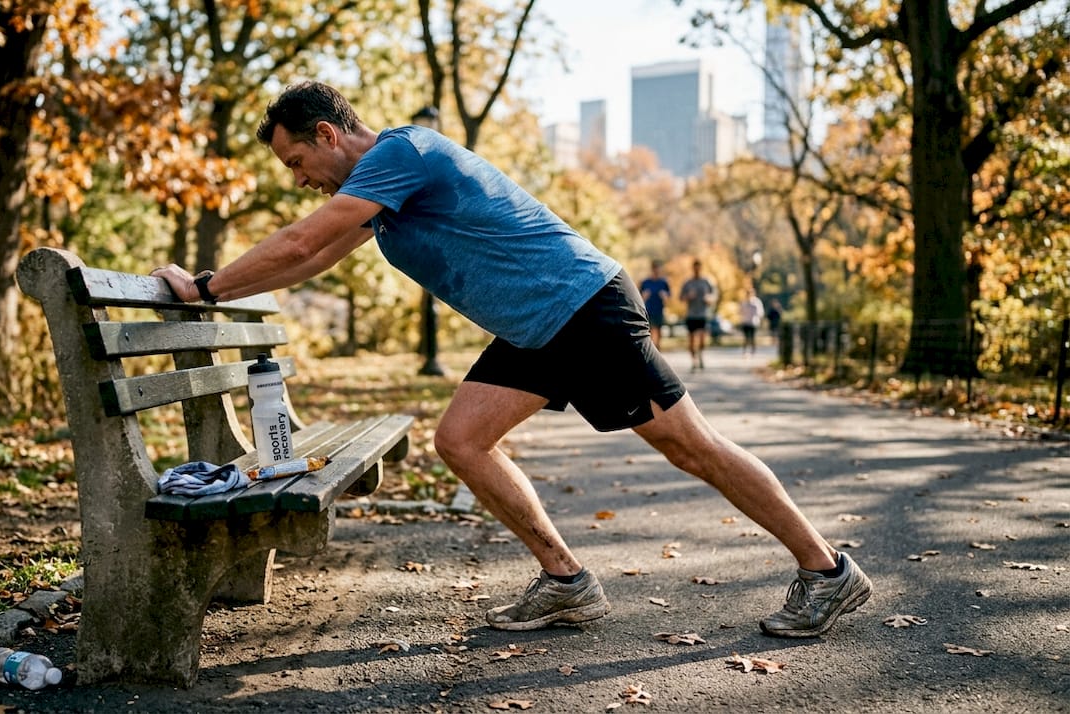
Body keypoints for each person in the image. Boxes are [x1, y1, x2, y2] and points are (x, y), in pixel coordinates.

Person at [152, 81, 872, 638]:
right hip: (538, 328)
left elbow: (303, 241)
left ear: (329, 133)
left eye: (298, 161)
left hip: (582, 307)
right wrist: (216, 293)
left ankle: (826, 569)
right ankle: (565, 581)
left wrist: (207, 286)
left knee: (692, 448)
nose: (301, 178)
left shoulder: (403, 154)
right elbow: (310, 257)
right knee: (461, 440)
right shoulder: (379, 197)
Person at [678, 259, 717, 371]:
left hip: (703, 314)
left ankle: (701, 355)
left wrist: (709, 299)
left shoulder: (707, 282)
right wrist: (688, 296)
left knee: (702, 339)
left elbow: (714, 295)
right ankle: (694, 361)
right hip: (691, 315)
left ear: (701, 268)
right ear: (693, 268)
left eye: (698, 267)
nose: (697, 270)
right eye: (695, 267)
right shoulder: (688, 282)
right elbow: (680, 298)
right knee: (691, 340)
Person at [638, 260, 671, 350]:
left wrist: (665, 296)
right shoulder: (645, 282)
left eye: (658, 268)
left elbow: (668, 297)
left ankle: (658, 349)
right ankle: (652, 350)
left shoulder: (664, 282)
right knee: (651, 332)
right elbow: (638, 298)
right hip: (648, 311)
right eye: (654, 268)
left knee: (659, 332)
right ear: (652, 269)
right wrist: (644, 296)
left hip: (660, 311)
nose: (656, 270)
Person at [738, 287, 766, 356]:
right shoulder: (744, 302)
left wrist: (757, 316)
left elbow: (760, 312)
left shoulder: (757, 302)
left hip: (754, 322)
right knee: (746, 338)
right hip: (746, 322)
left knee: (753, 337)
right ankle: (745, 351)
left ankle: (753, 351)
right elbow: (740, 311)